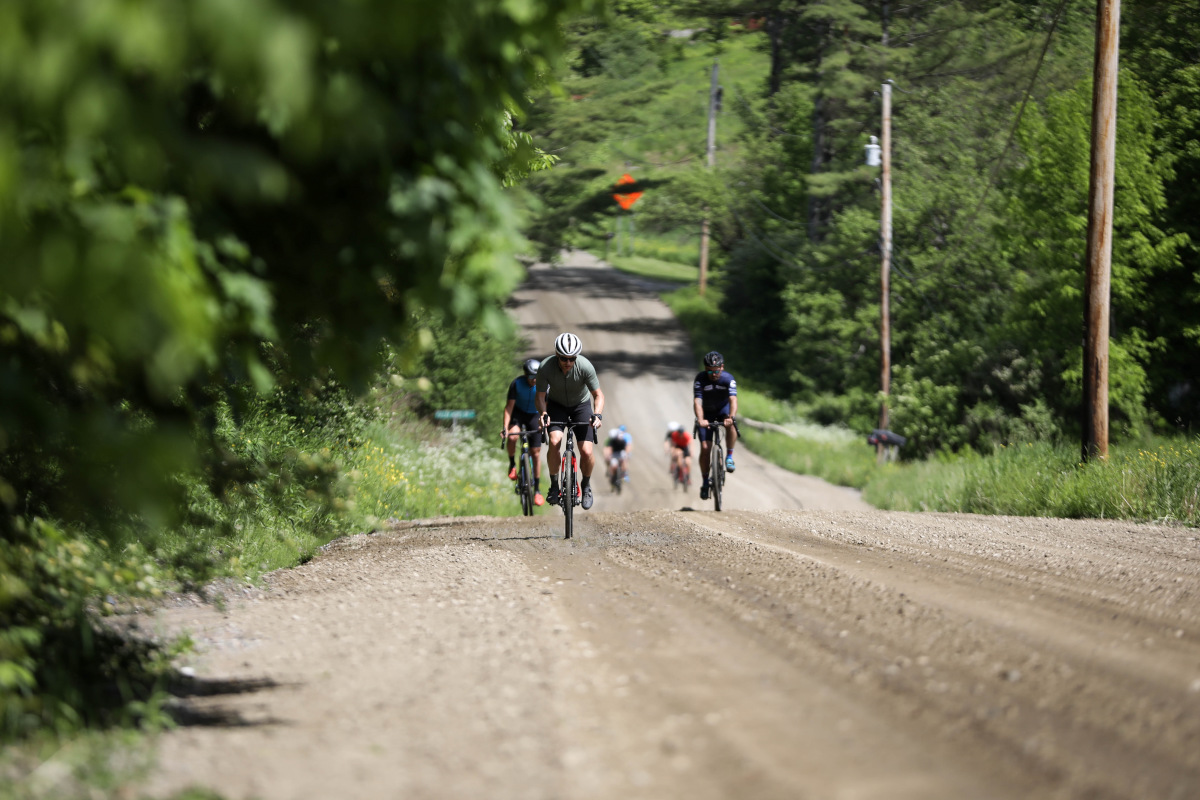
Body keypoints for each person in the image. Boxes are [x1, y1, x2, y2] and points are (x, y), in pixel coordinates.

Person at [536, 332, 605, 510]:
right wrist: (543, 413)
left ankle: (586, 486)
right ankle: (554, 485)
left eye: (572, 358)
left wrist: (597, 414)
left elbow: (598, 395)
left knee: (586, 451)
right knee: (554, 440)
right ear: (557, 355)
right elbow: (540, 396)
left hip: (581, 406)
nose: (568, 363)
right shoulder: (545, 367)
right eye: (564, 358)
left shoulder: (585, 366)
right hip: (556, 406)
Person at [693, 350, 738, 500]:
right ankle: (705, 482)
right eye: (709, 371)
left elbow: (733, 400)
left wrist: (731, 417)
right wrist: (700, 419)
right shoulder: (700, 379)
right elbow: (697, 402)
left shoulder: (728, 379)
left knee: (730, 424)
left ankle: (729, 457)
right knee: (705, 448)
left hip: (723, 410)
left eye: (716, 370)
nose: (713, 374)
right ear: (705, 369)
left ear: (722, 367)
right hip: (706, 414)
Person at [502, 358, 545, 506]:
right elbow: (509, 407)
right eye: (532, 377)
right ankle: (512, 464)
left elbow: (547, 405)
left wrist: (544, 421)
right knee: (513, 437)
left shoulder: (543, 385)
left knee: (536, 452)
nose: (534, 380)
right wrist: (505, 428)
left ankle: (538, 490)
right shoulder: (516, 384)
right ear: (526, 375)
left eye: (536, 377)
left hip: (535, 415)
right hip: (518, 414)